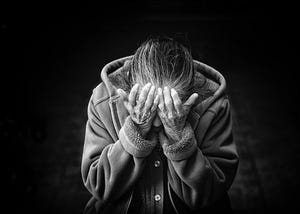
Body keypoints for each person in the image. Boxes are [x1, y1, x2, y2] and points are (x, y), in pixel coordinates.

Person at [81, 37, 239, 214]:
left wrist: (179, 136)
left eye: (170, 107)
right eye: (148, 106)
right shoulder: (103, 101)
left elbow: (210, 193)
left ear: (190, 97)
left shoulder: (215, 106)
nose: (157, 122)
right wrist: (136, 130)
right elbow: (99, 186)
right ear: (129, 88)